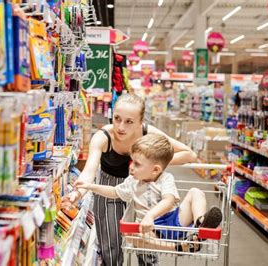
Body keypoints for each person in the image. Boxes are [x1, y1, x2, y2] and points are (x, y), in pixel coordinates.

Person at [62, 94, 197, 266]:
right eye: (117, 118)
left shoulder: (148, 133)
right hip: (109, 189)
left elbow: (189, 154)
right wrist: (78, 193)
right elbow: (89, 171)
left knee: (146, 245)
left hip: (143, 187)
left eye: (129, 121)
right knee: (111, 245)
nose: (120, 126)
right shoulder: (103, 137)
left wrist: (152, 163)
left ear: (140, 122)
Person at [74, 134, 222, 265]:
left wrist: (150, 215)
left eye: (137, 164)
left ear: (155, 169)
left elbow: (168, 201)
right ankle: (181, 246)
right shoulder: (132, 182)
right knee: (132, 236)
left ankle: (201, 223)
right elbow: (114, 192)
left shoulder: (165, 179)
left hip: (174, 219)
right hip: (153, 230)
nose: (131, 167)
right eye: (132, 162)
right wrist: (91, 186)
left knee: (196, 192)